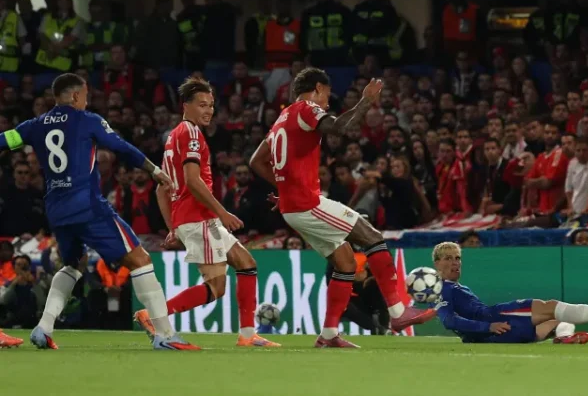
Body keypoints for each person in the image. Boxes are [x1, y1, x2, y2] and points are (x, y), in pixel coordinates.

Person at [0, 73, 197, 351]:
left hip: (57, 210)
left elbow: (4, 140)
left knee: (74, 264)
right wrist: (154, 170)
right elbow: (121, 148)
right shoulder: (88, 120)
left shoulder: (35, 125)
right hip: (88, 206)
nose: (86, 101)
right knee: (141, 260)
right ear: (75, 96)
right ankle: (165, 334)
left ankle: (44, 328)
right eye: (85, 96)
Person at [248, 68, 434, 348]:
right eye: (326, 95)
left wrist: (284, 189)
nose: (326, 103)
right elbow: (339, 127)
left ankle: (329, 335)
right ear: (318, 88)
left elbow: (256, 161)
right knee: (372, 237)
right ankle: (398, 312)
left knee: (345, 262)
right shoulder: (307, 108)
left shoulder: (282, 118)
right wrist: (366, 101)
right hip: (307, 203)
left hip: (294, 206)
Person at [136, 77, 278, 348]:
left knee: (247, 264)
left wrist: (173, 227)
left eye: (211, 105)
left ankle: (248, 335)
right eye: (202, 105)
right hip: (198, 218)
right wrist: (222, 212)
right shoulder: (190, 133)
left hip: (195, 219)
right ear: (185, 106)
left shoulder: (173, 137)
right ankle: (154, 317)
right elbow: (192, 180)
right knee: (216, 288)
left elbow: (161, 189)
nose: (208, 110)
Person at [432, 241, 588, 344]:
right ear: (437, 263)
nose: (455, 263)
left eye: (457, 258)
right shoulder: (441, 289)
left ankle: (565, 337)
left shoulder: (453, 288)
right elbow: (449, 321)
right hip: (495, 320)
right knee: (550, 307)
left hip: (490, 334)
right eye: (448, 258)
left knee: (557, 319)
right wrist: (488, 326)